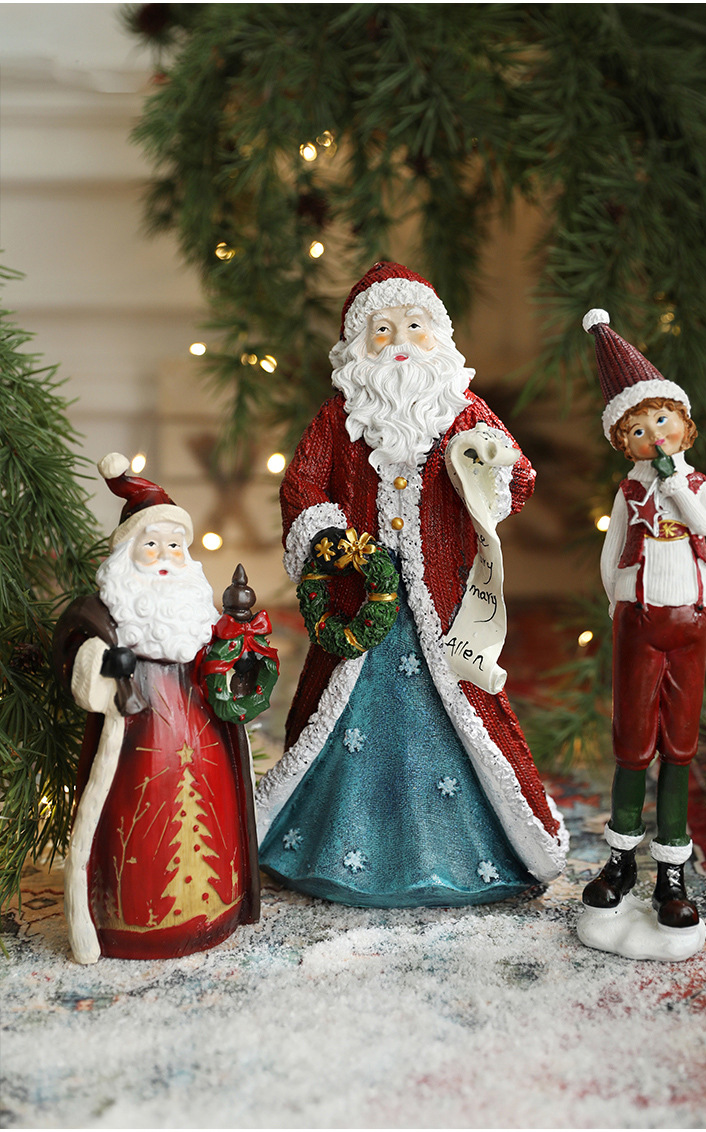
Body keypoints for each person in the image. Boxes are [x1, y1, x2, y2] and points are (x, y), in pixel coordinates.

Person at [256, 262, 567, 907]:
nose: (400, 341)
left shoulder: (463, 412)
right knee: (338, 712)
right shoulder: (340, 418)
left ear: (439, 337)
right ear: (357, 344)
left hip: (445, 607)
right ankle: (333, 846)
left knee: (461, 712)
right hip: (361, 603)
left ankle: (464, 851)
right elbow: (302, 484)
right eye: (382, 329)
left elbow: (518, 477)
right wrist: (329, 538)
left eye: (415, 326)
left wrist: (490, 471)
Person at [54, 455, 276, 962]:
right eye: (150, 544)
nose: (164, 556)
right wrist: (103, 666)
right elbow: (77, 660)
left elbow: (224, 666)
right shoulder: (104, 614)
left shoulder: (194, 611)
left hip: (202, 734)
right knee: (137, 831)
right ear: (126, 553)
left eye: (174, 545)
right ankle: (132, 925)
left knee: (215, 821)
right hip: (136, 745)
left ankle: (216, 911)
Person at [581, 309, 706, 937]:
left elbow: (703, 523)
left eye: (662, 421)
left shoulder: (696, 483)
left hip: (691, 617)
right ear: (624, 442)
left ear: (684, 425)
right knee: (633, 739)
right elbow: (612, 552)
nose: (653, 435)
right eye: (638, 429)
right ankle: (620, 860)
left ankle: (672, 868)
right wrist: (620, 602)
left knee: (679, 744)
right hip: (640, 619)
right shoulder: (627, 492)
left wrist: (674, 482)